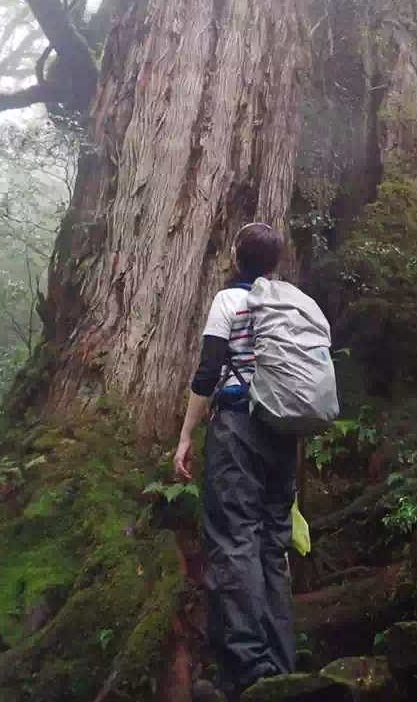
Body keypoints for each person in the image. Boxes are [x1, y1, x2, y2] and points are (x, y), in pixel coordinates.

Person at [174, 223, 297, 701]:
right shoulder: (288, 302)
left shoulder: (229, 300)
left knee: (235, 539)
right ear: (274, 263)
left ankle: (250, 671)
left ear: (235, 256)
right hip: (284, 432)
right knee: (272, 542)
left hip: (238, 427)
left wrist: (186, 435)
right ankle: (283, 663)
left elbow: (208, 372)